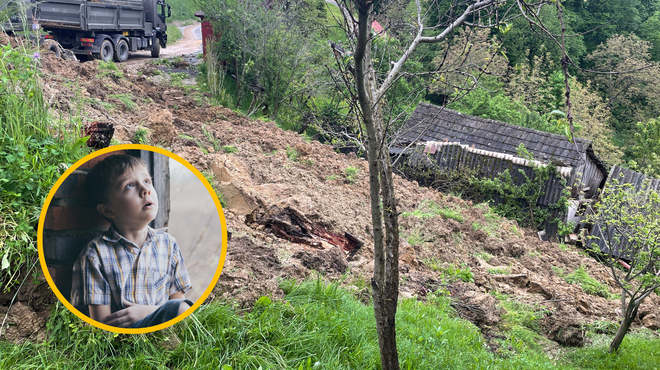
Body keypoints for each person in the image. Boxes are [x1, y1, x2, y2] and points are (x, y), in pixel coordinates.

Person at [70, 154, 193, 328]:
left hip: (165, 335)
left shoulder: (168, 244)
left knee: (182, 307)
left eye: (147, 181)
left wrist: (149, 312)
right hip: (124, 340)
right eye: (129, 186)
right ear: (107, 209)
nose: (145, 190)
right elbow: (100, 327)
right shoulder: (95, 254)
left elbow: (181, 312)